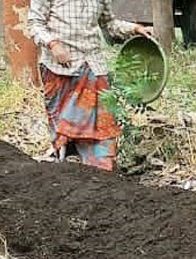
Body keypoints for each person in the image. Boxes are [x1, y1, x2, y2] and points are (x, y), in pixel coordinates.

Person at [26, 0, 153, 171]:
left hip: (93, 66)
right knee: (66, 129)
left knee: (104, 124)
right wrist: (53, 44)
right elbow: (35, 23)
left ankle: (102, 171)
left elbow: (109, 24)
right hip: (60, 69)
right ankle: (66, 169)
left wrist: (135, 29)